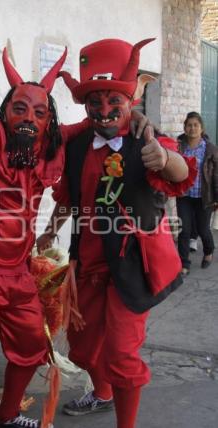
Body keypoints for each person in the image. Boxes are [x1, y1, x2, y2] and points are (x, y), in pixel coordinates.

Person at [0, 45, 150, 428]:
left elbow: (100, 117)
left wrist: (136, 116)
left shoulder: (51, 144)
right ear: (6, 111)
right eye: (21, 108)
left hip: (16, 271)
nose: (29, 119)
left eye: (40, 112)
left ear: (48, 119)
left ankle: (6, 417)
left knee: (33, 347)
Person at [37, 38, 195, 428]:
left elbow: (181, 174)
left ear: (129, 103)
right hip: (88, 263)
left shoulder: (146, 137)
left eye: (114, 103)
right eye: (96, 104)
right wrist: (47, 232)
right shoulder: (76, 145)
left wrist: (165, 157)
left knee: (122, 354)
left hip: (132, 264)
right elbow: (68, 197)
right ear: (86, 106)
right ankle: (103, 392)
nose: (105, 111)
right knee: (85, 350)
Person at [177, 111, 218, 276]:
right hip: (184, 195)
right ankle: (184, 263)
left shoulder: (210, 149)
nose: (192, 128)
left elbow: (216, 175)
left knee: (203, 229)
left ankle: (208, 252)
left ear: (201, 128)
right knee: (184, 230)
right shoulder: (179, 146)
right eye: (189, 125)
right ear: (185, 127)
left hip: (204, 196)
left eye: (196, 125)